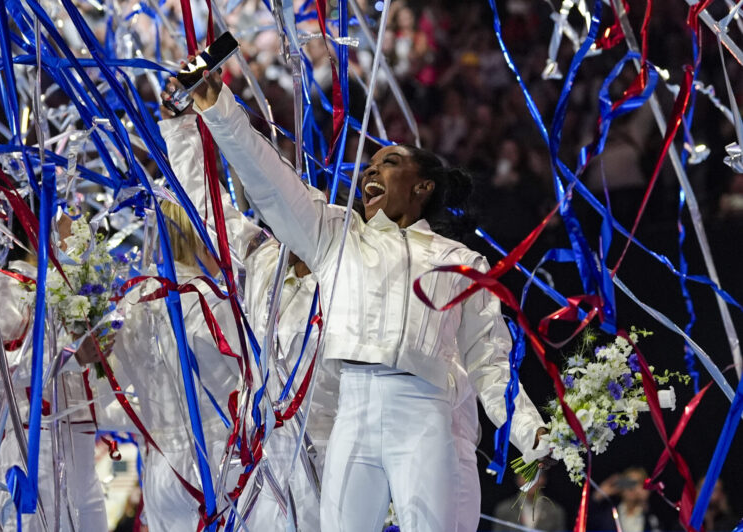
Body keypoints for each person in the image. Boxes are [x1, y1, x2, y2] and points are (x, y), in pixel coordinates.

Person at [182, 69, 549, 531]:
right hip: (351, 409)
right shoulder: (335, 238)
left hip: (422, 411)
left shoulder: (461, 263)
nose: (371, 170)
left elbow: (489, 362)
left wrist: (528, 431)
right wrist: (219, 106)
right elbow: (270, 179)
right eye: (369, 165)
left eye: (389, 162)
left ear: (423, 186)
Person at [157, 100, 336, 530]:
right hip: (267, 465)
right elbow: (203, 202)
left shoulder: (344, 279)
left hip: (334, 462)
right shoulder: (261, 259)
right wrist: (183, 125)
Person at [0, 210, 109, 531]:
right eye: (68, 215)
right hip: (35, 446)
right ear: (38, 226)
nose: (79, 226)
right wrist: (68, 355)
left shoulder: (77, 289)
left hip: (85, 450)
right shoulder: (3, 287)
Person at [109, 200, 242, 532]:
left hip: (161, 471)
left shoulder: (131, 303)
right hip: (217, 464)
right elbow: (252, 380)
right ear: (203, 235)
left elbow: (105, 394)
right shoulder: (209, 297)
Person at [589, 468, 664, 532]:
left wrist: (645, 500)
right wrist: (599, 494)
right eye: (628, 483)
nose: (632, 488)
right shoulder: (608, 515)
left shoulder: (652, 516)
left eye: (637, 483)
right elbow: (585, 520)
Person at [491, 470, 566, 531]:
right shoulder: (504, 510)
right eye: (526, 476)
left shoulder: (555, 511)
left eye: (535, 476)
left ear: (543, 479)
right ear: (518, 479)